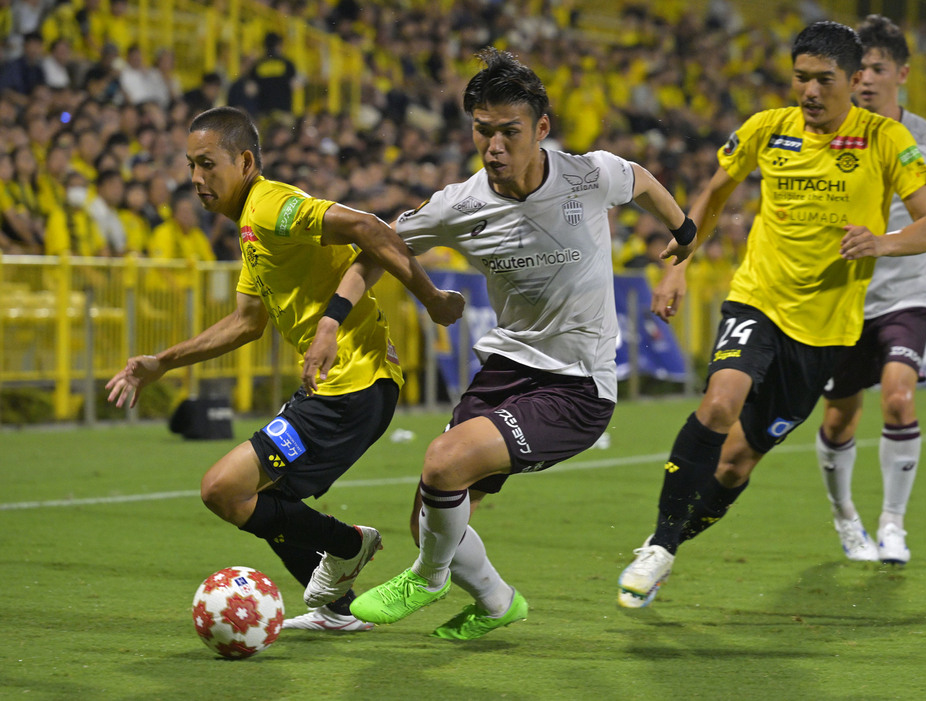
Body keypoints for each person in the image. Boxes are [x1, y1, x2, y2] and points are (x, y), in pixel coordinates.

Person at [348, 48, 696, 639]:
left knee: (442, 464)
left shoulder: (587, 175)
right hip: (508, 368)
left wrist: (683, 233)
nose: (494, 147)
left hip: (578, 386)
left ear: (541, 128)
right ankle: (496, 601)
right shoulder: (461, 205)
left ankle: (427, 581)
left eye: (509, 132)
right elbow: (378, 245)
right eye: (483, 132)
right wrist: (334, 319)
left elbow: (640, 179)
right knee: (430, 516)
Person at [105, 106, 464, 633]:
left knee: (222, 489)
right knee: (262, 499)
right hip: (332, 391)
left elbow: (368, 227)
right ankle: (334, 610)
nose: (196, 180)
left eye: (207, 164)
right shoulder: (250, 228)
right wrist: (163, 363)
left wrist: (431, 299)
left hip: (351, 388)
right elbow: (247, 323)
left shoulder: (271, 205)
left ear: (245, 161)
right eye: (190, 166)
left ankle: (348, 545)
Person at [617, 21, 926, 609]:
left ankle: (668, 543)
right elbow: (713, 194)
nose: (810, 91)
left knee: (736, 464)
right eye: (801, 78)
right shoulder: (767, 129)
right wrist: (678, 263)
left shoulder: (887, 140)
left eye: (824, 80)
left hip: (825, 331)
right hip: (758, 297)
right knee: (719, 401)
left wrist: (882, 243)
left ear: (855, 79)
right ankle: (658, 546)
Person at [815, 15, 926, 565]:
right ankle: (845, 516)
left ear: (902, 74)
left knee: (898, 396)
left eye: (877, 68)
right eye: (857, 68)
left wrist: (884, 243)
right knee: (839, 417)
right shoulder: (828, 137)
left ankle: (893, 522)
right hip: (846, 297)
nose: (865, 78)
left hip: (909, 292)